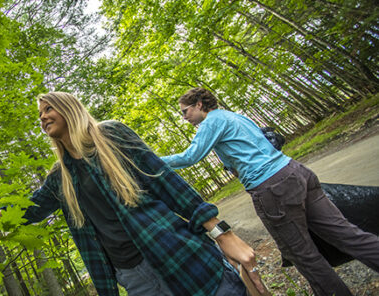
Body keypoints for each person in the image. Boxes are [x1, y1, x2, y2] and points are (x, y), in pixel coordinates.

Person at [0, 92, 264, 296]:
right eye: (40, 114)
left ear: (69, 108)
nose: (42, 117)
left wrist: (222, 234)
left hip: (178, 251)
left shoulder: (112, 135)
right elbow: (30, 208)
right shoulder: (60, 177)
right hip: (133, 277)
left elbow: (165, 181)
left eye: (48, 109)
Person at [161, 87, 379, 296]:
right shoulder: (234, 116)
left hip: (273, 188)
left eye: (185, 111)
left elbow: (190, 157)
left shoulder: (211, 122)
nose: (184, 117)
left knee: (303, 255)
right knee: (347, 234)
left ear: (199, 104)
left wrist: (151, 160)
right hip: (296, 171)